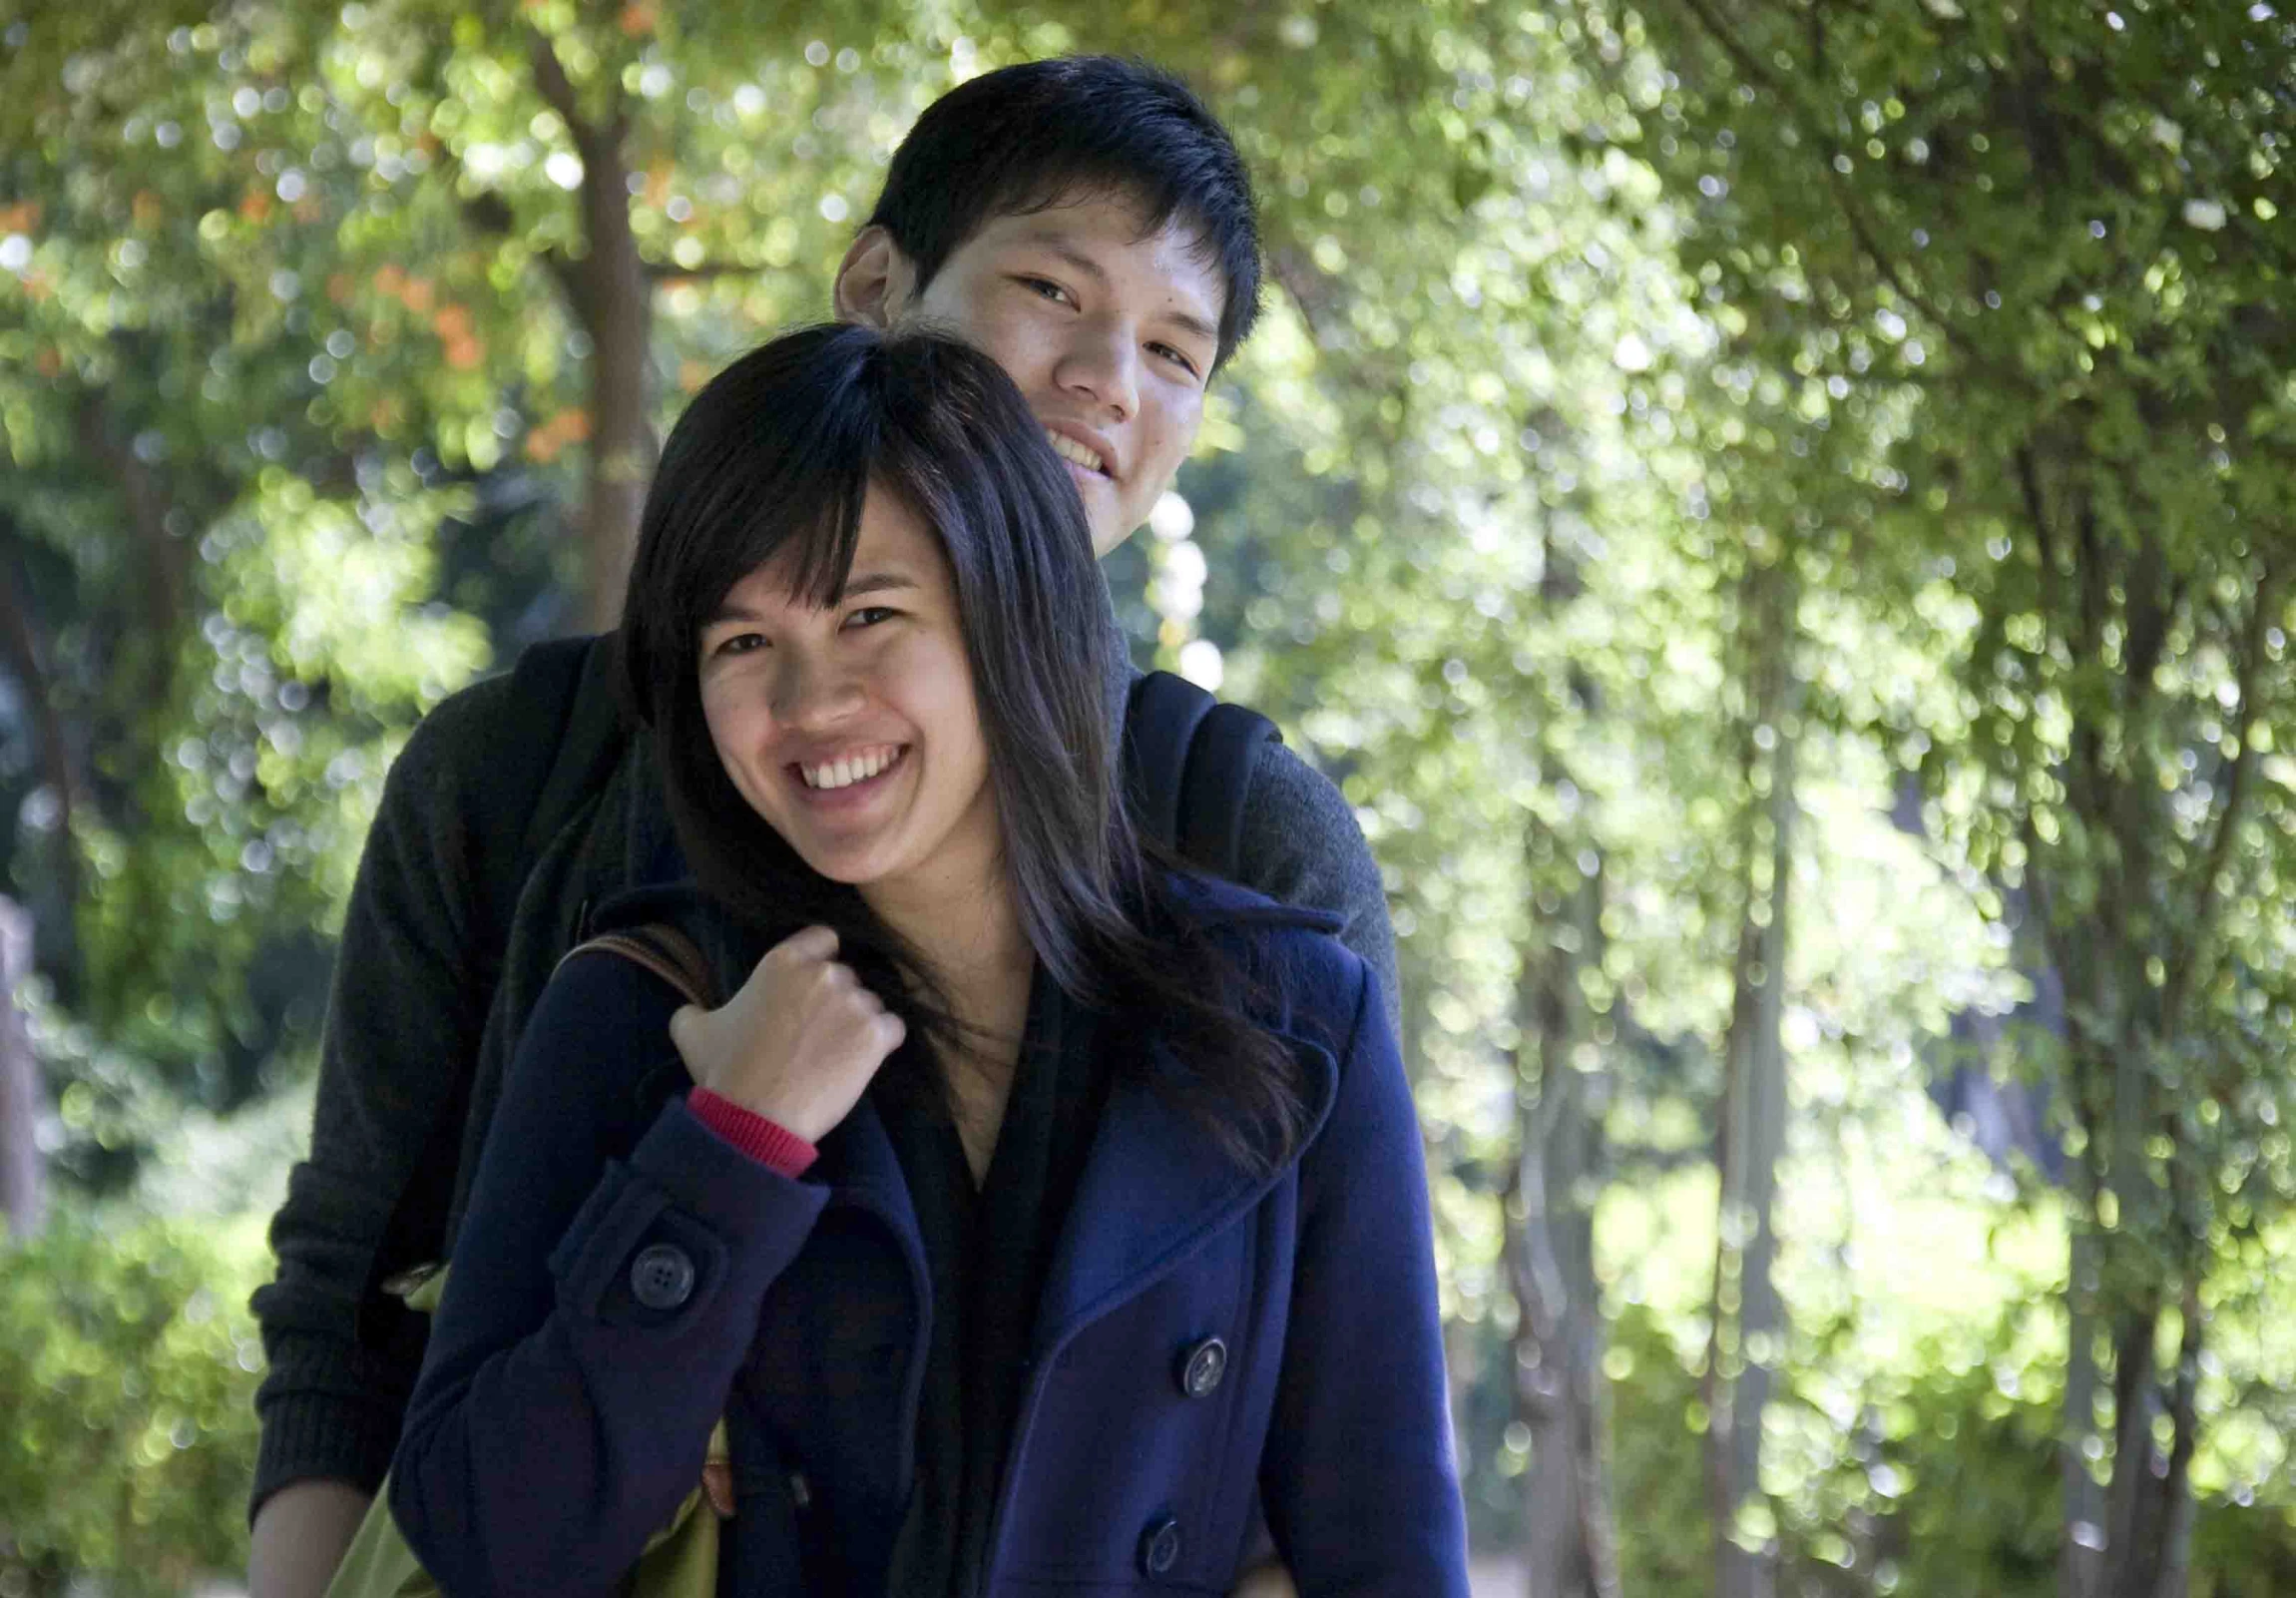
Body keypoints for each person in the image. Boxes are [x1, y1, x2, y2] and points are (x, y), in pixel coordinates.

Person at [248, 57, 1401, 1598]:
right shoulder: (515, 784)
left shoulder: (1254, 849)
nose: (1107, 378)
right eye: (1052, 289)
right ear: (875, 285)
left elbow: (1333, 1466)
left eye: (1175, 350)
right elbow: (349, 1309)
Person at [389, 321, 1466, 1596]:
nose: (808, 702)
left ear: (1011, 616)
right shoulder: (645, 1007)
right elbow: (485, 1536)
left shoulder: (1287, 1014)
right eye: (743, 643)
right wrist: (730, 1145)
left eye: (870, 613)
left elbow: (1387, 1542)